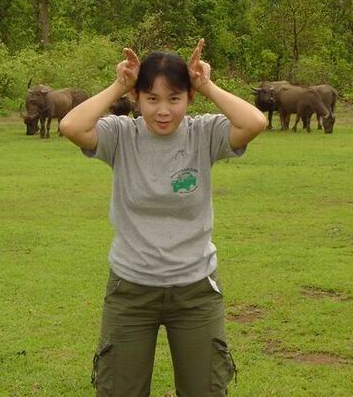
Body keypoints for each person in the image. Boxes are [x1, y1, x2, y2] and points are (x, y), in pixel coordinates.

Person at [59, 39, 267, 396]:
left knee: (205, 390)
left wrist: (207, 85)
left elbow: (255, 121)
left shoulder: (204, 133)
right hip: (130, 289)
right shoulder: (121, 135)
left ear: (189, 98)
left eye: (174, 98)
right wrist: (119, 85)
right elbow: (71, 126)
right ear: (137, 98)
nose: (163, 110)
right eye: (152, 98)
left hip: (196, 290)